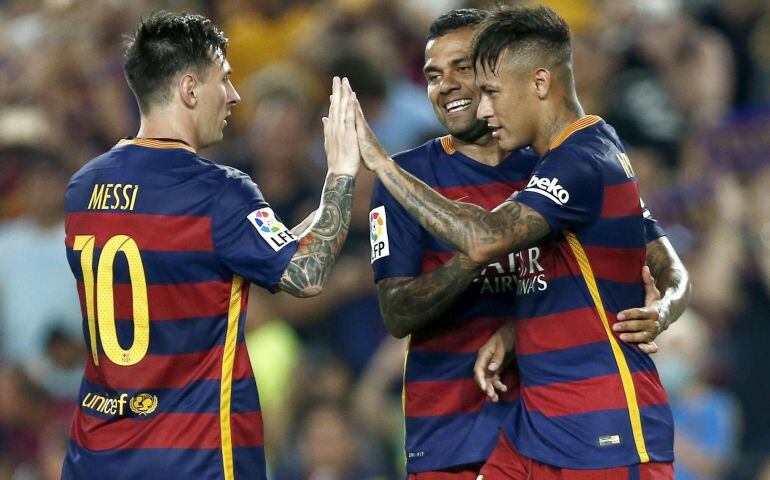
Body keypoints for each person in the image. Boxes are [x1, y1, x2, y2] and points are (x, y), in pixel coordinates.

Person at [355, 5, 691, 479]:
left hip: (603, 428)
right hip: (524, 431)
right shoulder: (560, 158)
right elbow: (400, 311)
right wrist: (517, 334)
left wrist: (384, 167)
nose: (479, 102)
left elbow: (487, 239)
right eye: (433, 74)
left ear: (533, 82)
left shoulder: (576, 161)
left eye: (483, 83)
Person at [61, 12, 360, 479]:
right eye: (225, 78)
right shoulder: (218, 193)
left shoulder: (83, 187)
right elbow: (306, 273)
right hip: (192, 458)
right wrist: (341, 173)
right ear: (189, 89)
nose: (235, 95)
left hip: (94, 455)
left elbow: (262, 248)